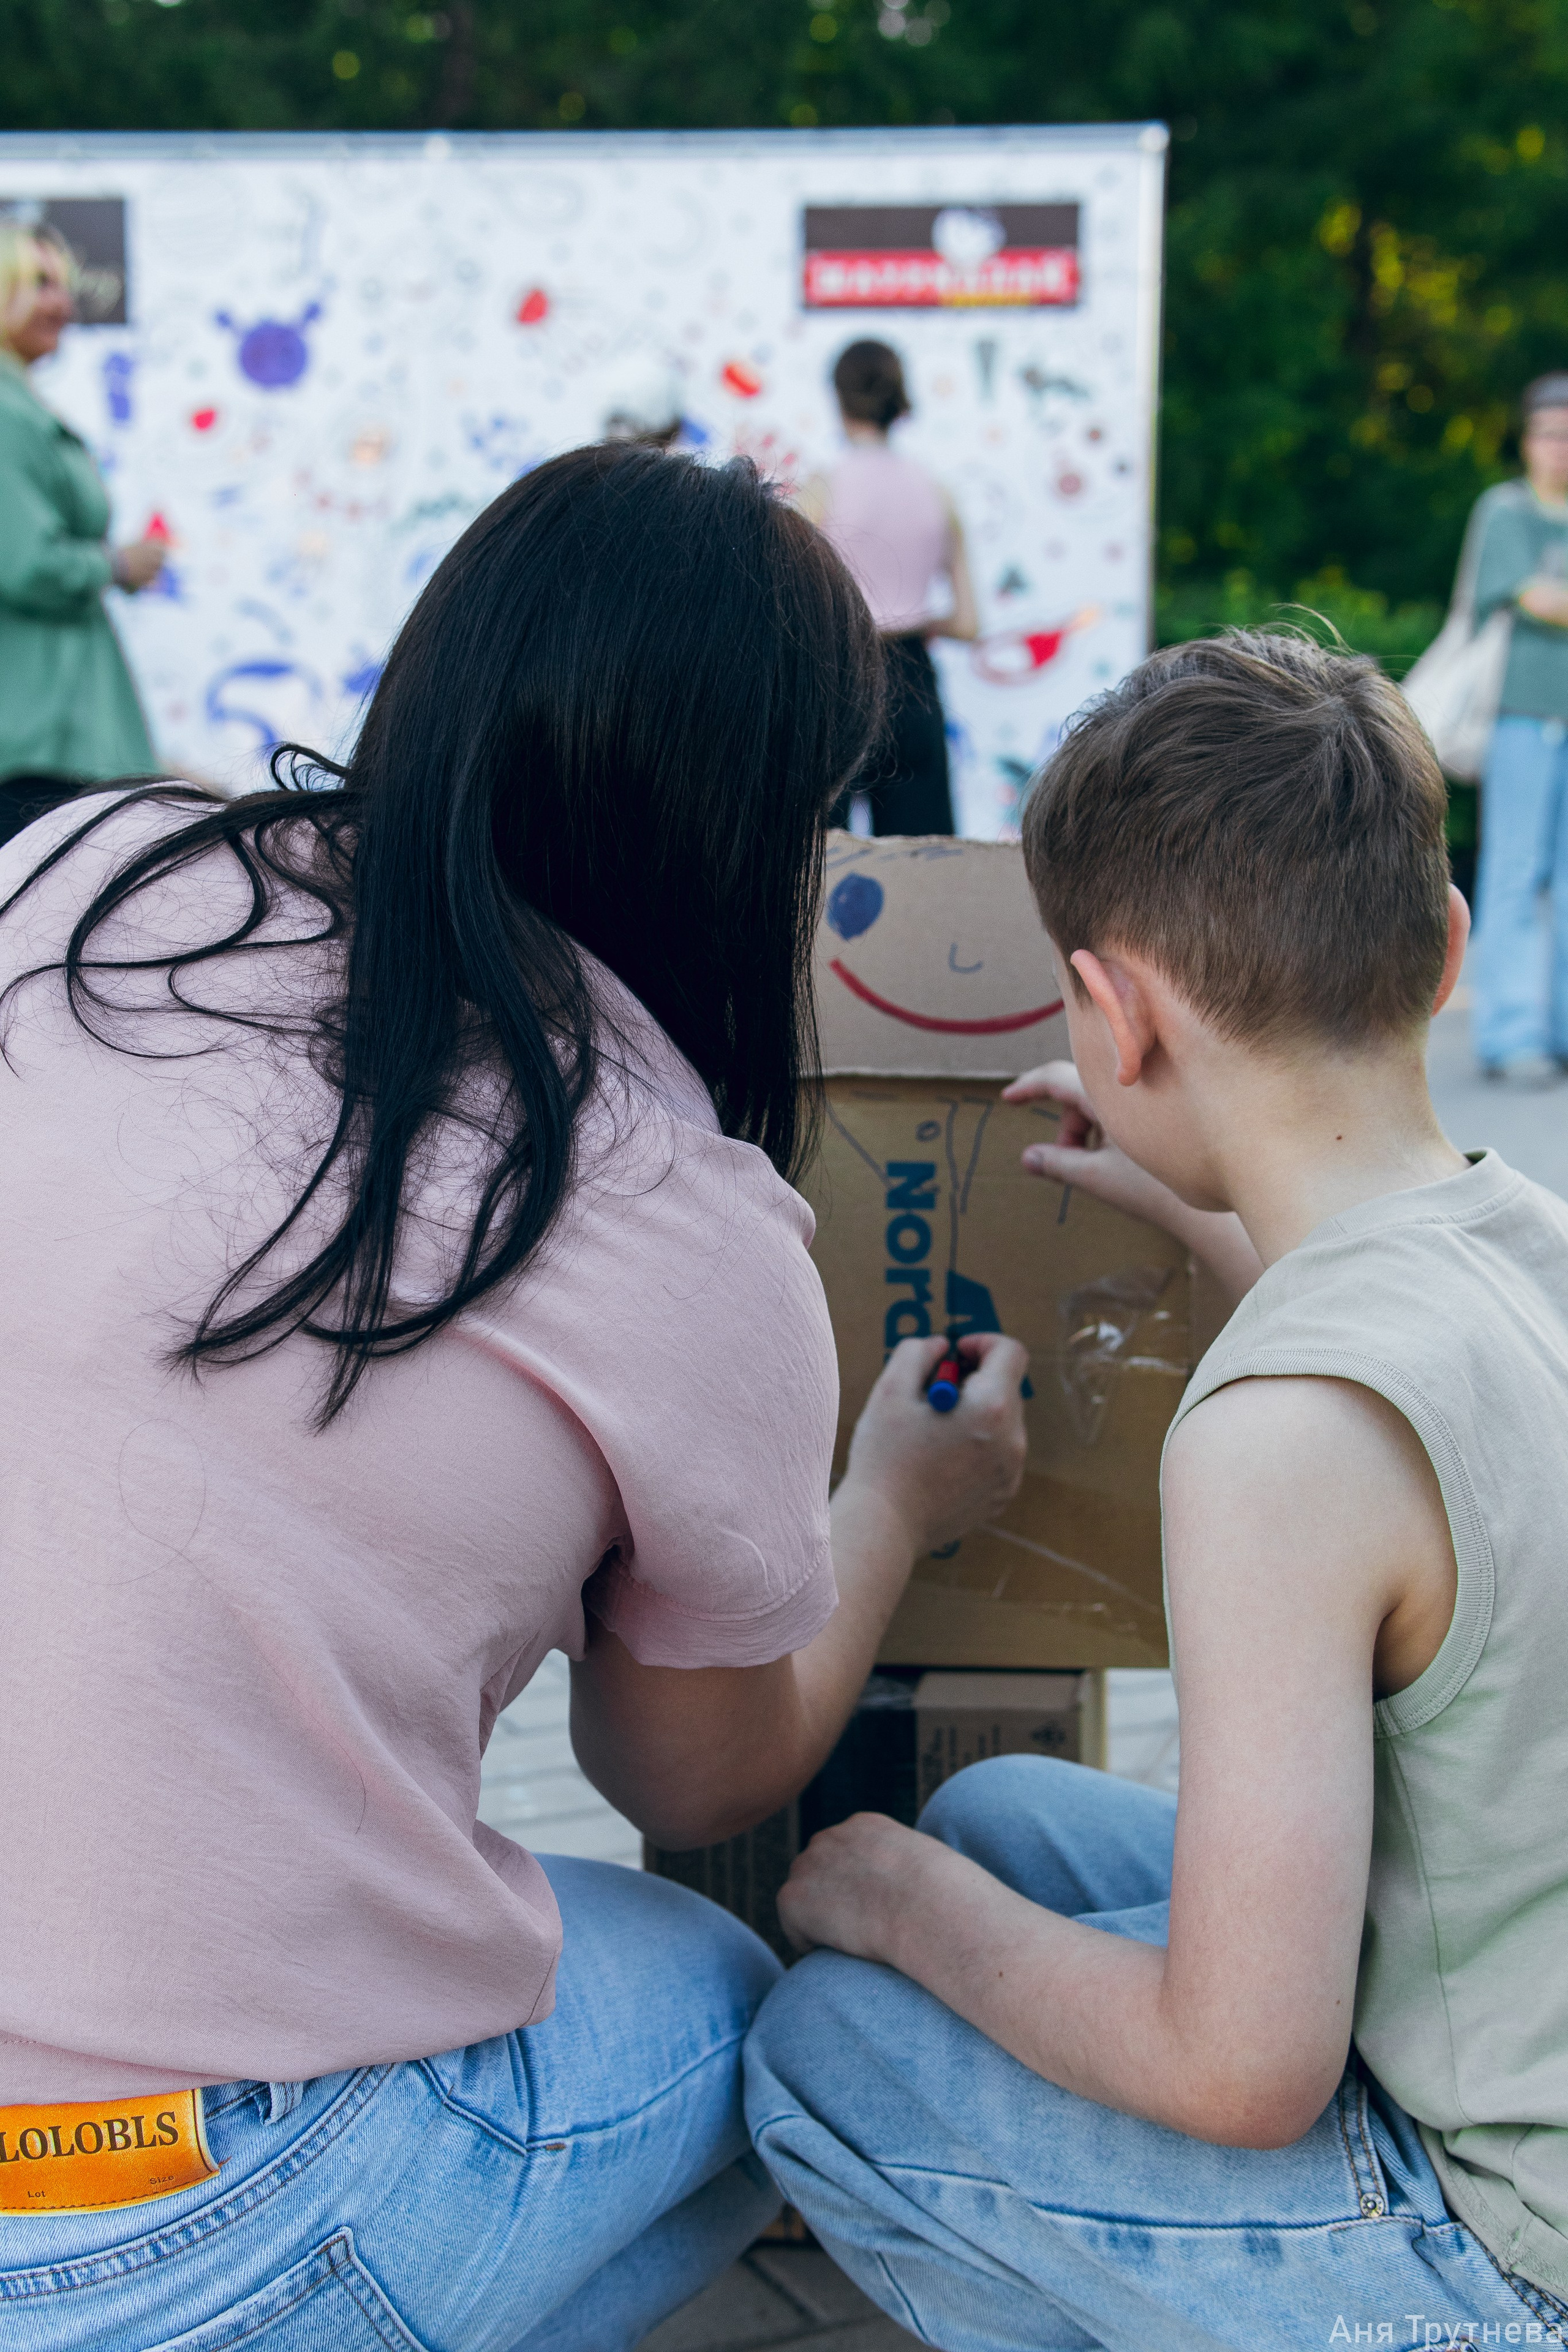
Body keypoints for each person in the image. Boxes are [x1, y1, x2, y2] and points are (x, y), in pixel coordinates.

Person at [0, 445, 1028, 2351]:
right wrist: (889, 1490)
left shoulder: (84, 872)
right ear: (759, 837)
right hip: (164, 2209)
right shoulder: (672, 1207)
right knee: (748, 2016)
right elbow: (691, 1772)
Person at [745, 632, 1568, 2350]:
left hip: (1509, 2251)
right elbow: (1387, 1373)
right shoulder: (1528, 1241)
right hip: (1515, 2000)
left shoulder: (1277, 1437)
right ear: (1445, 953)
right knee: (1001, 1826)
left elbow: (1243, 2068)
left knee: (824, 2038)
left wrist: (898, 1908)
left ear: (1113, 1015)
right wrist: (1204, 1207)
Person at [0, 219, 165, 845]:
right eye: (38, 283)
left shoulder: (20, 405)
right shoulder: (6, 411)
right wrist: (116, 565)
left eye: (64, 286)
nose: (61, 303)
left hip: (50, 731)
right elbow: (26, 564)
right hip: (35, 735)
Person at [799, 339, 978, 837]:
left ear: (838, 398)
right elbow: (969, 622)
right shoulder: (935, 489)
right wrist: (916, 617)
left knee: (819, 863)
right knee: (924, 868)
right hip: (914, 679)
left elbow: (794, 607)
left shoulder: (821, 488)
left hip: (839, 678)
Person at [1468, 372, 1568, 1085]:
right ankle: (1509, 1033)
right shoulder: (1504, 512)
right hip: (1519, 719)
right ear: (1527, 440)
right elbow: (1532, 598)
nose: (1560, 447)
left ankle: (1558, 1027)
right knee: (1512, 873)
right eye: (1549, 433)